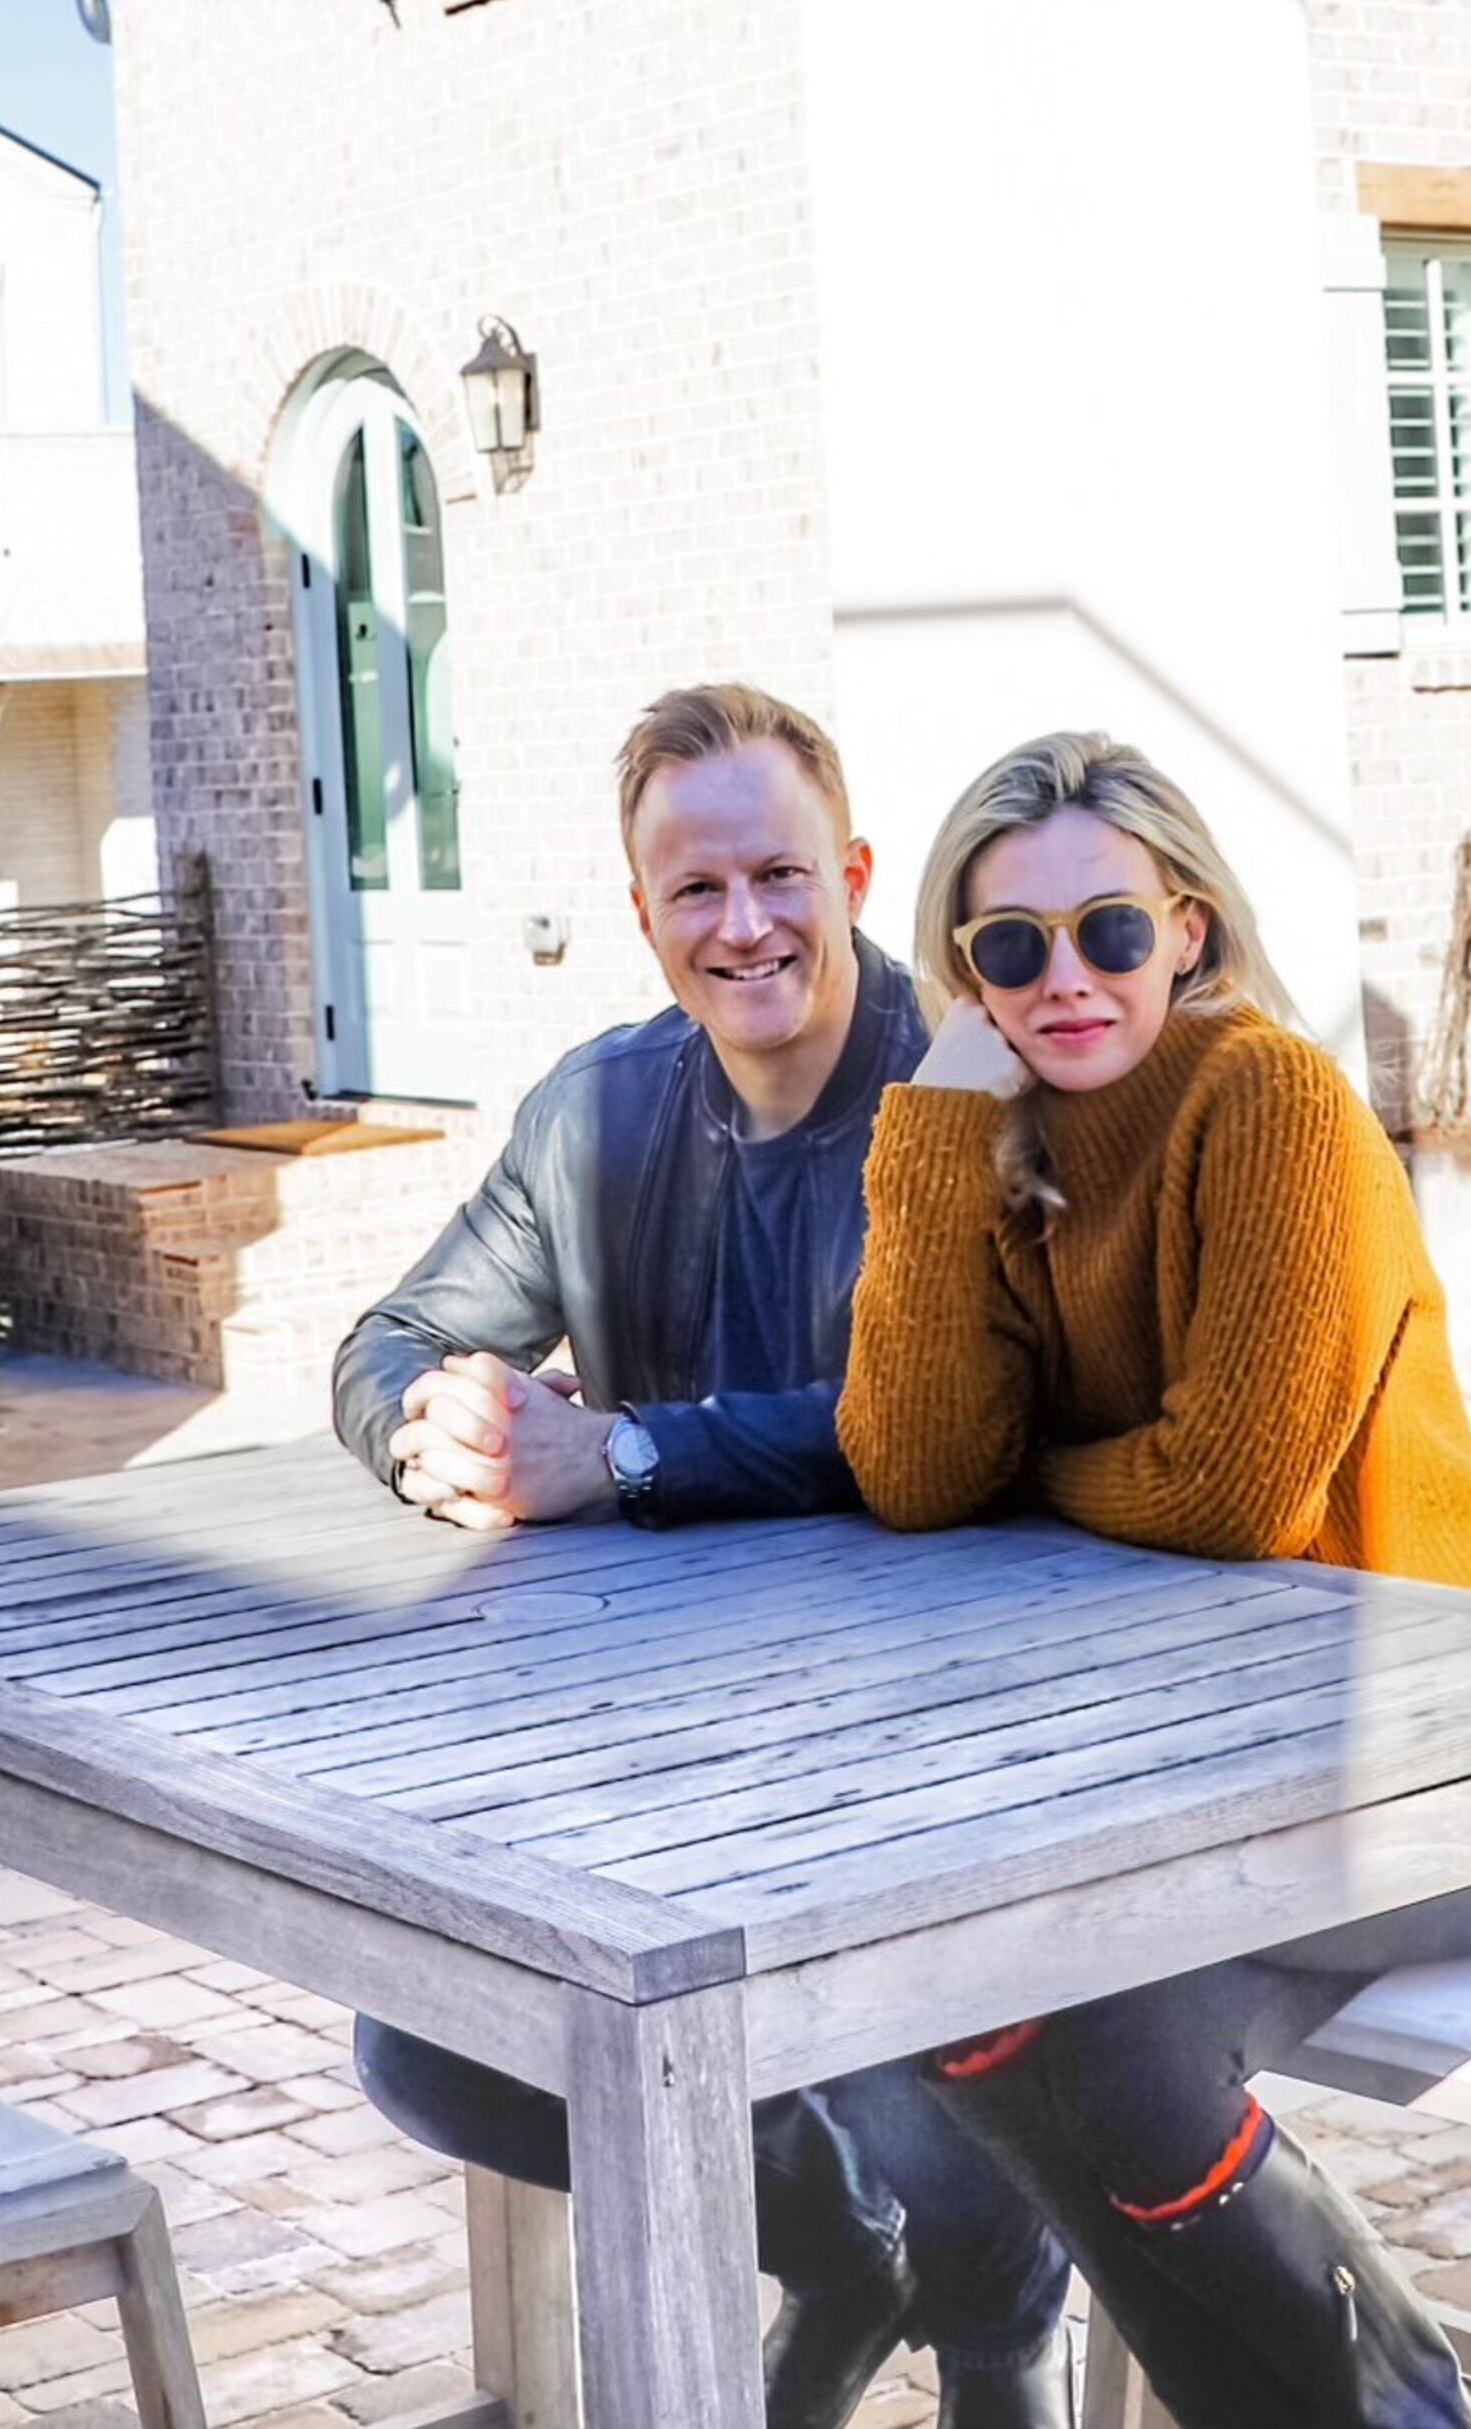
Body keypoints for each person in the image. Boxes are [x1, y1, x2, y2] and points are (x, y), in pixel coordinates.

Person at [839, 730, 1471, 2429]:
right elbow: (911, 1474)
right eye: (1011, 944)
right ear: (962, 970)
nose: (1069, 976)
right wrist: (931, 1140)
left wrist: (1030, 1487)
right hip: (1242, 1775)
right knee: (990, 2009)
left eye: (1111, 929)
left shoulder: (1264, 1102)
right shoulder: (1009, 1146)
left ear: (1187, 928)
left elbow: (1225, 1493)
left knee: (1088, 2027)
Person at [331, 678, 1072, 2429]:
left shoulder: (967, 1088)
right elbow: (386, 1338)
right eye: (696, 892)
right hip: (668, 1773)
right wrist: (447, 1430)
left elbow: (953, 1421)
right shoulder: (595, 1114)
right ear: (648, 915)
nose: (745, 926)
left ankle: (984, 2337)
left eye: (780, 877)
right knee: (434, 2037)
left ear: (856, 872)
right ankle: (838, 2251)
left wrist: (637, 1451)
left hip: (948, 1764)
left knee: (964, 2141)